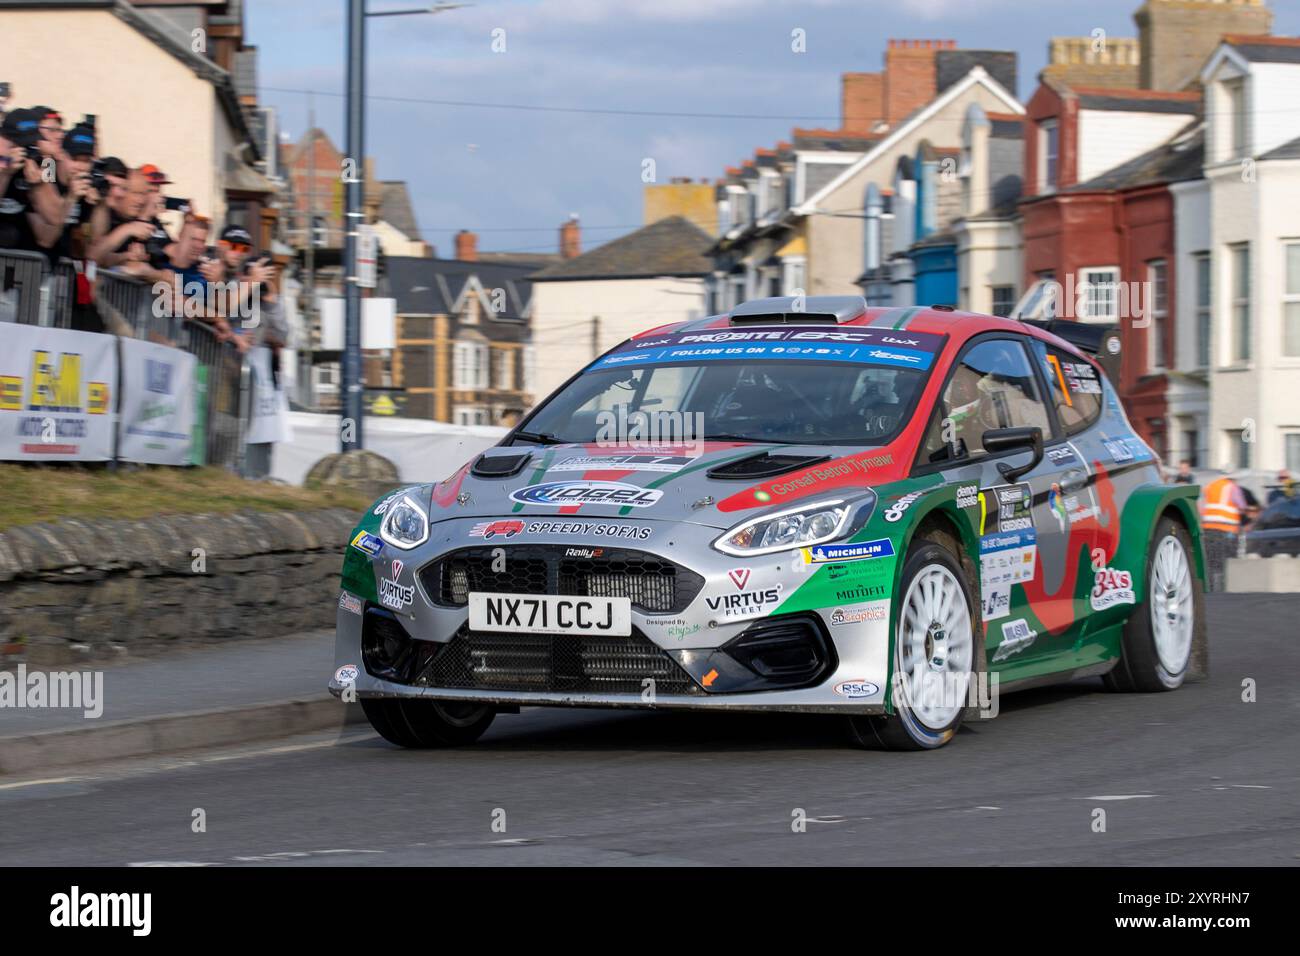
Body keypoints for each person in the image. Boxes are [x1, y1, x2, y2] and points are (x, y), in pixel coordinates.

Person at [1199, 468, 1247, 592]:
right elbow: (1242, 506)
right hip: (1226, 530)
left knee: (1210, 561)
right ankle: (1224, 590)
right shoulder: (1232, 487)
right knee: (1226, 561)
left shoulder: (1210, 487)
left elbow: (1201, 509)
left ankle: (1208, 589)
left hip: (1208, 529)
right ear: (1233, 478)